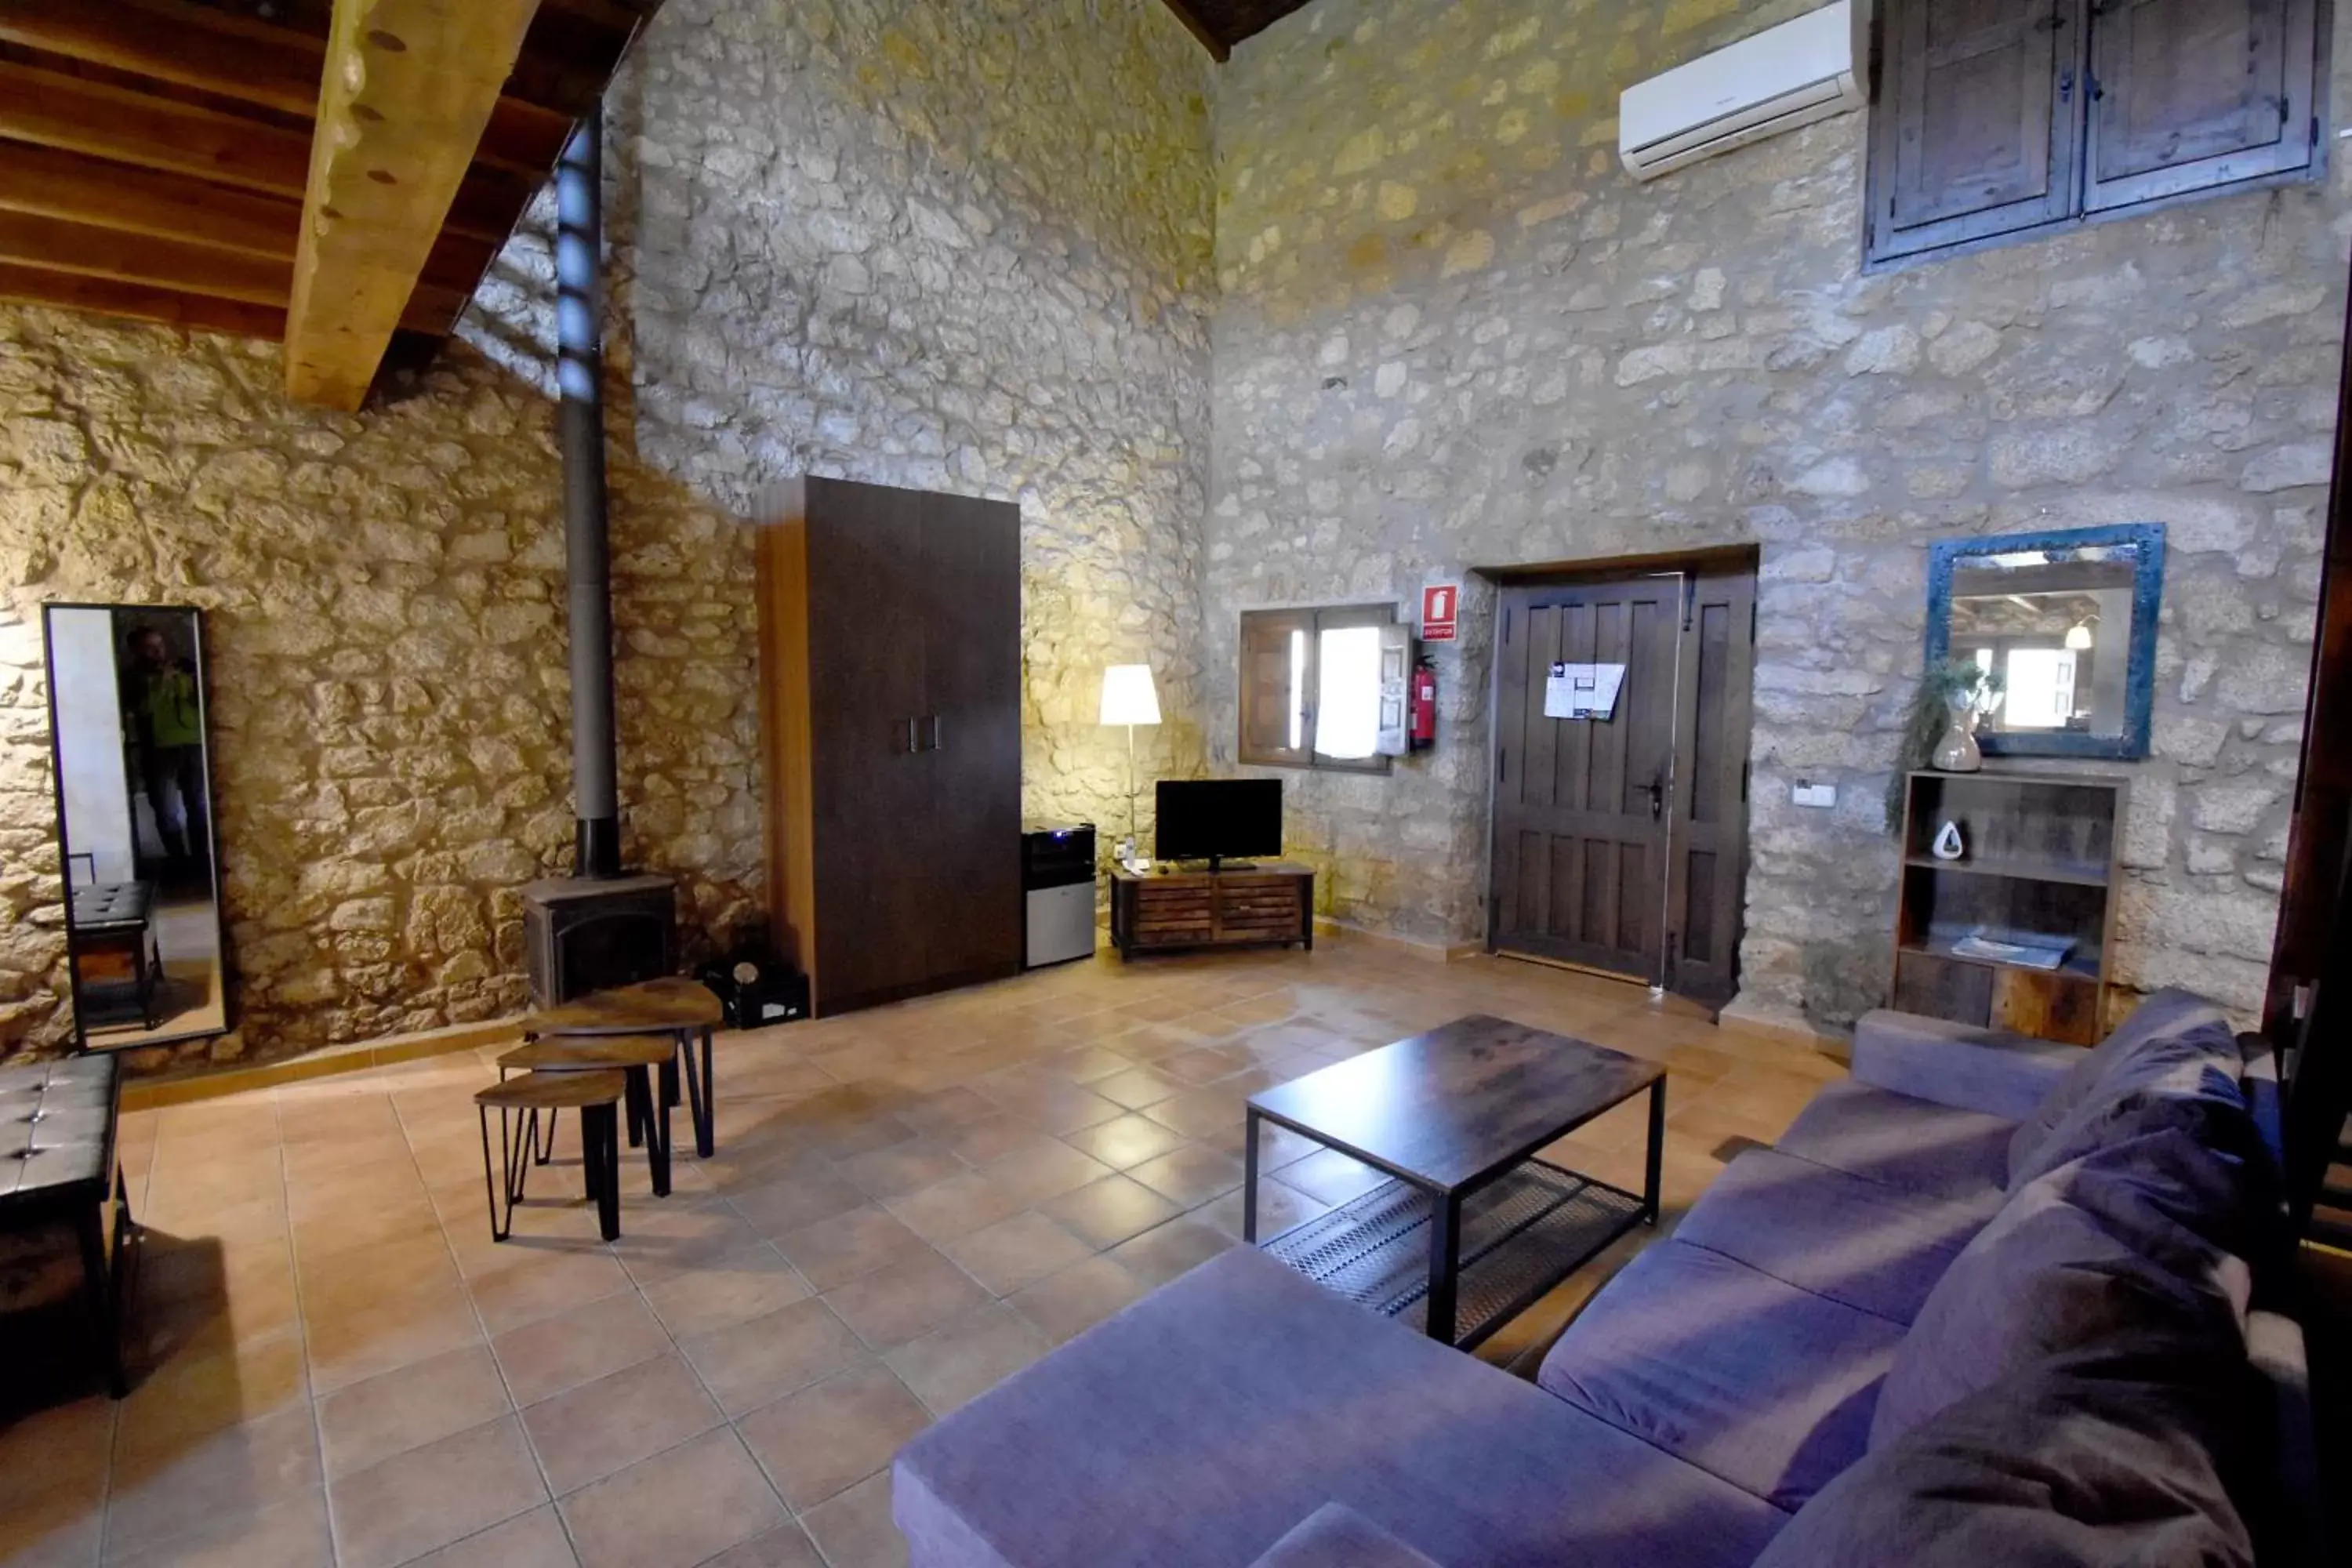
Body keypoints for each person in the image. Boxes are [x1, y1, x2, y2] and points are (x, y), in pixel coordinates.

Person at [123, 625, 207, 869]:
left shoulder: (183, 668)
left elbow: (201, 702)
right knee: (166, 809)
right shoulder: (133, 677)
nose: (158, 652)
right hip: (158, 750)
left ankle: (202, 861)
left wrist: (192, 679)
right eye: (150, 647)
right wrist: (163, 682)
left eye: (160, 645)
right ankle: (179, 861)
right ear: (136, 651)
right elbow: (142, 709)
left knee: (199, 805)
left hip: (193, 743)